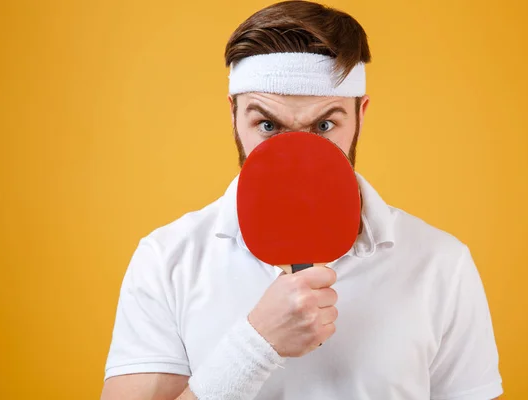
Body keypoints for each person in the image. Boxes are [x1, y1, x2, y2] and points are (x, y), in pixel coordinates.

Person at [101, 1, 503, 399]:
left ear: (361, 115)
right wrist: (256, 344)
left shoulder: (442, 264)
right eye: (267, 125)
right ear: (233, 116)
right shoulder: (166, 260)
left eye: (325, 125)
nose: (294, 153)